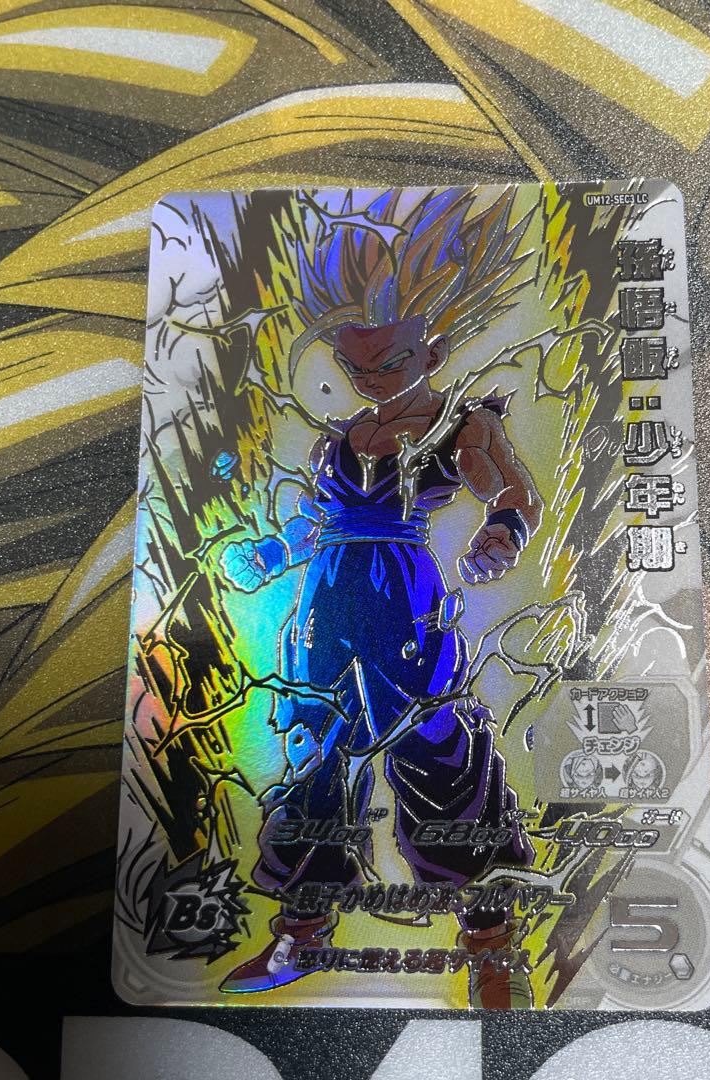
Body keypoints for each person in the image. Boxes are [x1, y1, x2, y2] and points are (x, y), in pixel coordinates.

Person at [217, 188, 544, 1007]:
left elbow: (513, 494)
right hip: (325, 608)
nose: (368, 380)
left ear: (431, 351)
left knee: (436, 753)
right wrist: (270, 554)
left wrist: (499, 537)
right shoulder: (338, 440)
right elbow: (317, 522)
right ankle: (301, 932)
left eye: (387, 364)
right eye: (355, 366)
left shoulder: (461, 425)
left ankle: (490, 944)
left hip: (404, 602)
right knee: (315, 760)